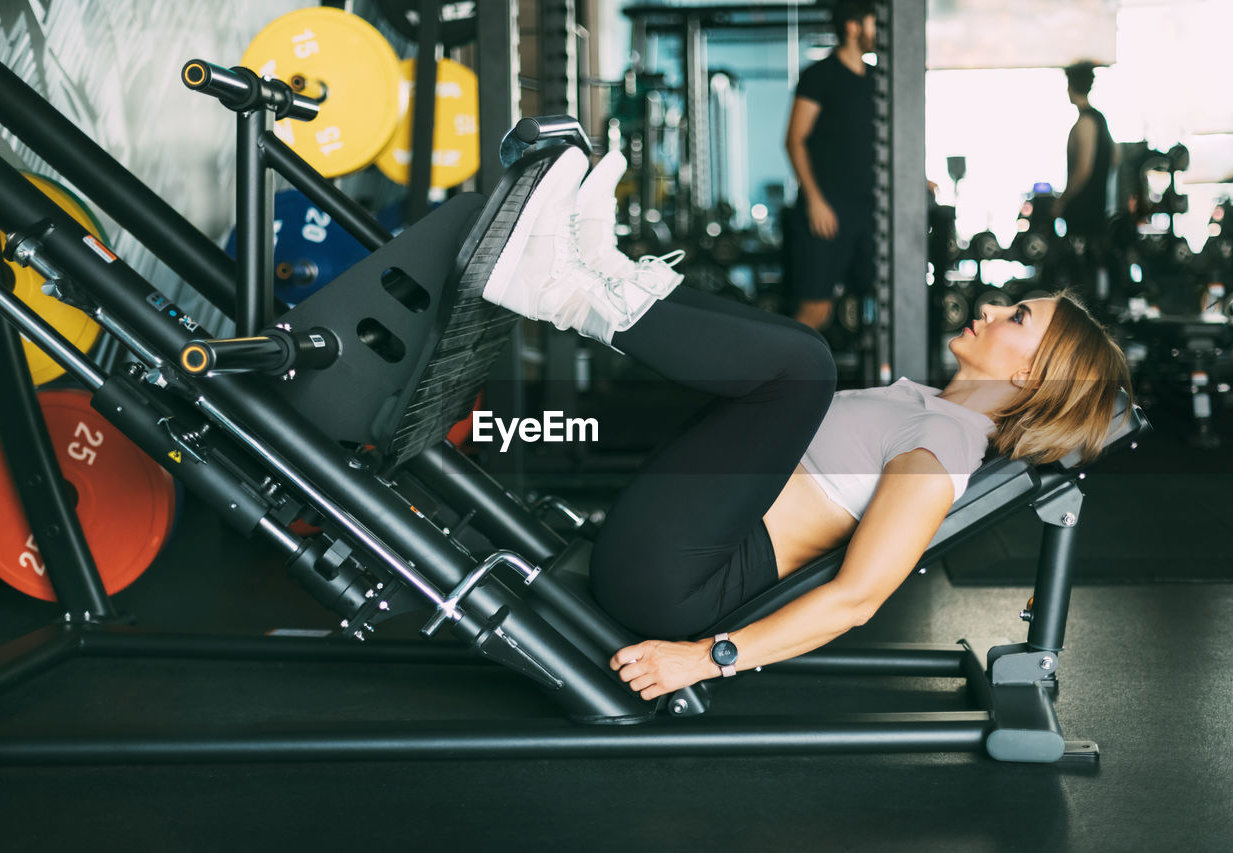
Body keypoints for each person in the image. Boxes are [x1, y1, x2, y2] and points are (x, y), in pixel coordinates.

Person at [481, 146, 1132, 702]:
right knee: (776, 353)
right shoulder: (927, 407)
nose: (991, 307)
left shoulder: (945, 446)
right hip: (673, 547)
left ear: (1031, 377)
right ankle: (599, 269)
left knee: (804, 367)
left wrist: (708, 658)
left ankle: (562, 290)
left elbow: (858, 597)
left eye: (1016, 316)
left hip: (675, 581)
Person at [783, 0, 878, 331]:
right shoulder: (819, 76)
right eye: (873, 22)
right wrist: (815, 201)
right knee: (815, 312)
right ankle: (780, 381)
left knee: (879, 304)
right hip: (827, 212)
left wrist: (916, 180)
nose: (878, 30)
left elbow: (883, 142)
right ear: (853, 27)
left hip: (870, 212)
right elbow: (794, 140)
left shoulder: (878, 80)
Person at [1055, 61, 1114, 242]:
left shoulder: (1084, 123)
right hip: (1098, 206)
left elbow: (1083, 169)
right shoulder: (1100, 119)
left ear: (1071, 87)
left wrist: (1062, 201)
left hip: (1083, 211)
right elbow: (1115, 159)